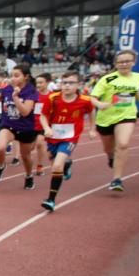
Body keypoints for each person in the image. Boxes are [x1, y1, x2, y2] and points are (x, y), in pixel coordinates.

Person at [88, 49, 139, 192]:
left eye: (127, 61)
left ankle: (117, 179)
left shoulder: (138, 77)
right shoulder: (107, 79)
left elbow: (136, 90)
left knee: (123, 144)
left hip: (127, 115)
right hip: (106, 118)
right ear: (115, 64)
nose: (124, 64)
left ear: (133, 62)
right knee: (108, 149)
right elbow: (93, 97)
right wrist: (99, 104)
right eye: (120, 62)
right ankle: (111, 157)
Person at [39, 71, 94, 212]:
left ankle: (51, 199)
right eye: (64, 83)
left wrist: (92, 128)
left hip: (70, 138)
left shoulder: (85, 101)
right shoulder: (53, 98)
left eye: (71, 83)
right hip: (52, 136)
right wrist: (46, 128)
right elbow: (43, 116)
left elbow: (91, 112)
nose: (67, 86)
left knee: (56, 166)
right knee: (53, 160)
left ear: (78, 84)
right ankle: (67, 164)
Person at [0, 63, 39, 189]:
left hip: (26, 128)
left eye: (17, 76)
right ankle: (0, 166)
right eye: (11, 75)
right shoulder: (8, 88)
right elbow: (0, 95)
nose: (13, 78)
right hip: (8, 124)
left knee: (25, 157)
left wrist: (15, 97)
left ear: (26, 77)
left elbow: (25, 112)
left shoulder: (31, 91)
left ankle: (29, 176)